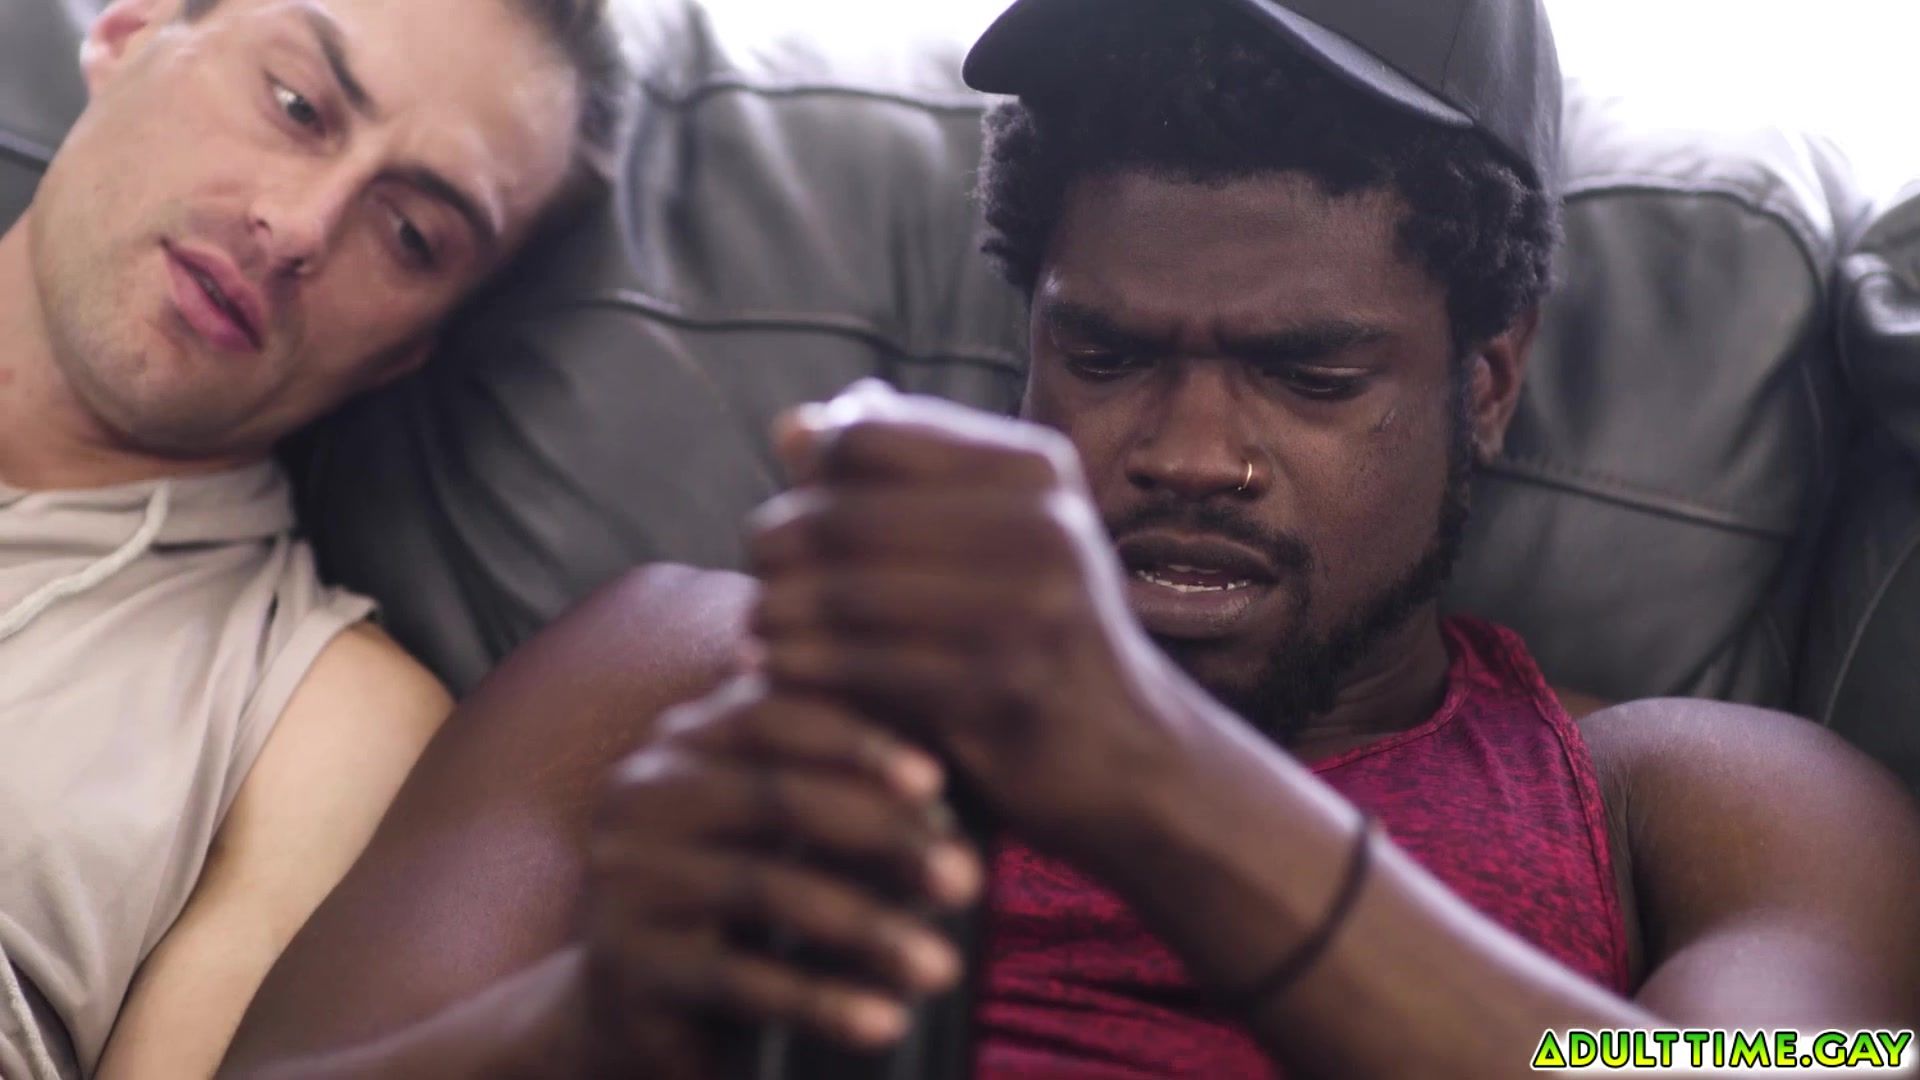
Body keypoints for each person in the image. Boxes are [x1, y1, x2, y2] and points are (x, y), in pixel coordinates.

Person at [223, 0, 1920, 1077]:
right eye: (1104, 357)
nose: (1186, 456)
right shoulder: (703, 666)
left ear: (1486, 381)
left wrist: (1152, 775)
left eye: (1308, 376)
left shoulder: (1695, 800)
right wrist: (592, 1024)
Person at [0, 0, 628, 1074]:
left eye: (410, 236)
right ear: (129, 31)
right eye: (297, 104)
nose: (298, 228)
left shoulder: (319, 723)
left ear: (411, 348)